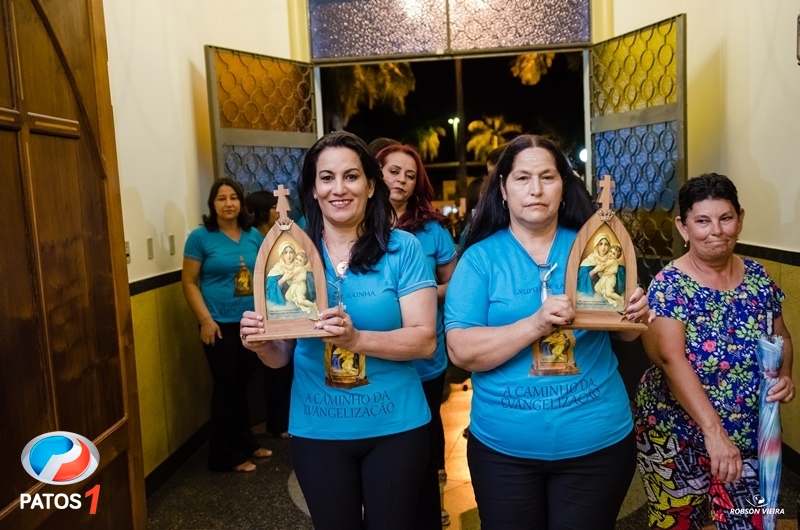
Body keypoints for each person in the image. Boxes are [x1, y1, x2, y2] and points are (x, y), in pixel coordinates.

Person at [444, 134, 653, 529]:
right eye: (522, 178)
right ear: (503, 188)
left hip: (597, 444)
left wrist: (635, 316)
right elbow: (461, 350)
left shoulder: (594, 248)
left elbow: (626, 334)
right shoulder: (480, 259)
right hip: (505, 452)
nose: (536, 189)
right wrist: (535, 324)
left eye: (547, 177)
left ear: (563, 186)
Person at [239, 131, 438, 530]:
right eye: (327, 177)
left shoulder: (402, 249)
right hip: (318, 427)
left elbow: (424, 340)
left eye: (351, 176)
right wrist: (261, 343)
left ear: (370, 185)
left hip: (395, 425)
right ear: (313, 189)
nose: (339, 189)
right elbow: (280, 357)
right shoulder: (291, 254)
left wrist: (355, 339)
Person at [636, 173, 795, 530]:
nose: (716, 231)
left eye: (725, 218)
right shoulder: (669, 285)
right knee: (678, 523)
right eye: (703, 221)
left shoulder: (758, 278)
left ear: (740, 218)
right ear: (683, 227)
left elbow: (781, 336)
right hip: (677, 434)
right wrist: (715, 433)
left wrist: (785, 376)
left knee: (749, 521)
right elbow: (670, 359)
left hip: (749, 434)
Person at [376, 143, 457, 529]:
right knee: (385, 437)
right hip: (374, 354)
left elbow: (454, 285)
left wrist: (419, 296)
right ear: (375, 174)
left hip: (423, 354)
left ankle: (431, 504)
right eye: (393, 171)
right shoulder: (359, 225)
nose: (401, 180)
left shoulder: (433, 230)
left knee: (425, 433)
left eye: (410, 175)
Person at [182, 178, 272, 472]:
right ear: (212, 204)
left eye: (233, 197)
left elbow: (266, 275)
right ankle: (225, 456)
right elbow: (189, 282)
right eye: (221, 198)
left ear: (241, 203)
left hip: (250, 323)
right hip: (218, 324)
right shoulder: (200, 237)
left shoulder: (253, 236)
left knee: (243, 385)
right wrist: (205, 321)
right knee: (226, 386)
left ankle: (246, 442)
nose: (228, 203)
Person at [245, 189, 293, 440]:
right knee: (270, 369)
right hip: (263, 310)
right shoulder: (255, 238)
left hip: (284, 306)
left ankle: (280, 420)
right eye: (274, 206)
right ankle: (273, 422)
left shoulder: (283, 235)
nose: (280, 210)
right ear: (264, 210)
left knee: (283, 369)